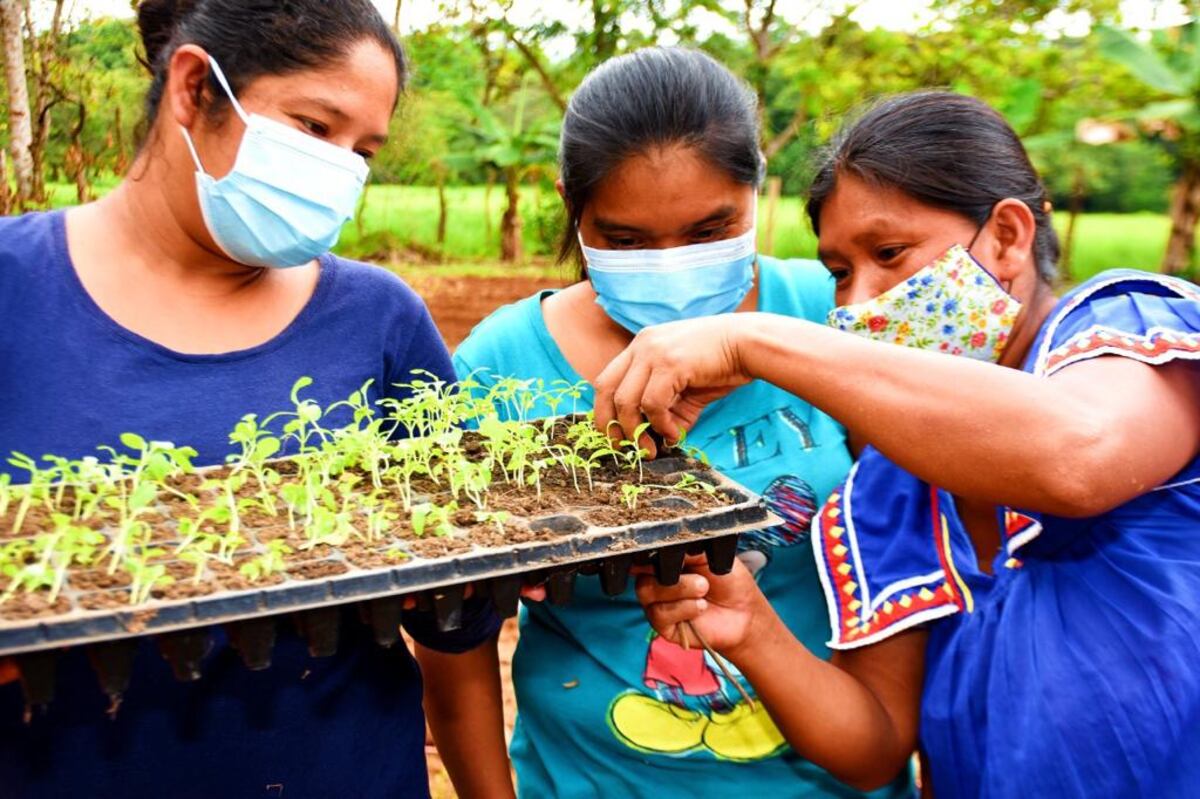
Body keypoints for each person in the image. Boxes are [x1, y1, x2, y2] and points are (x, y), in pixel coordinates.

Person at [610, 91, 1200, 798]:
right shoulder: (891, 488)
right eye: (838, 272)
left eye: (888, 253)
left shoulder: (1121, 336)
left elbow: (1081, 457)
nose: (858, 301)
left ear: (1008, 238)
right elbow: (876, 745)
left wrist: (756, 336)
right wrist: (750, 629)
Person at [0, 2, 505, 796]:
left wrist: (471, 576)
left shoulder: (378, 319)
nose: (342, 170)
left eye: (363, 150)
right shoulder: (15, 292)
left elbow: (459, 624)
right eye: (315, 127)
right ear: (194, 87)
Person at [447, 48, 912, 799]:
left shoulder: (832, 312)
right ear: (573, 205)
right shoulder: (500, 363)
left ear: (756, 188)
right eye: (626, 241)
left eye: (708, 229)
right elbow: (456, 646)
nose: (671, 265)